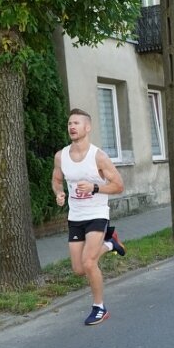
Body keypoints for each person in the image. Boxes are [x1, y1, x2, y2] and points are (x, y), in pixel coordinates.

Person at [52, 108, 126, 325]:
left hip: (97, 214)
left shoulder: (98, 156)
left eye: (76, 123)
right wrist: (59, 193)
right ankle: (111, 243)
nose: (71, 127)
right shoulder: (61, 156)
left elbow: (119, 186)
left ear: (87, 127)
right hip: (75, 215)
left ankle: (99, 307)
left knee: (89, 261)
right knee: (78, 269)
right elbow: (56, 180)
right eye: (69, 124)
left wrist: (94, 187)